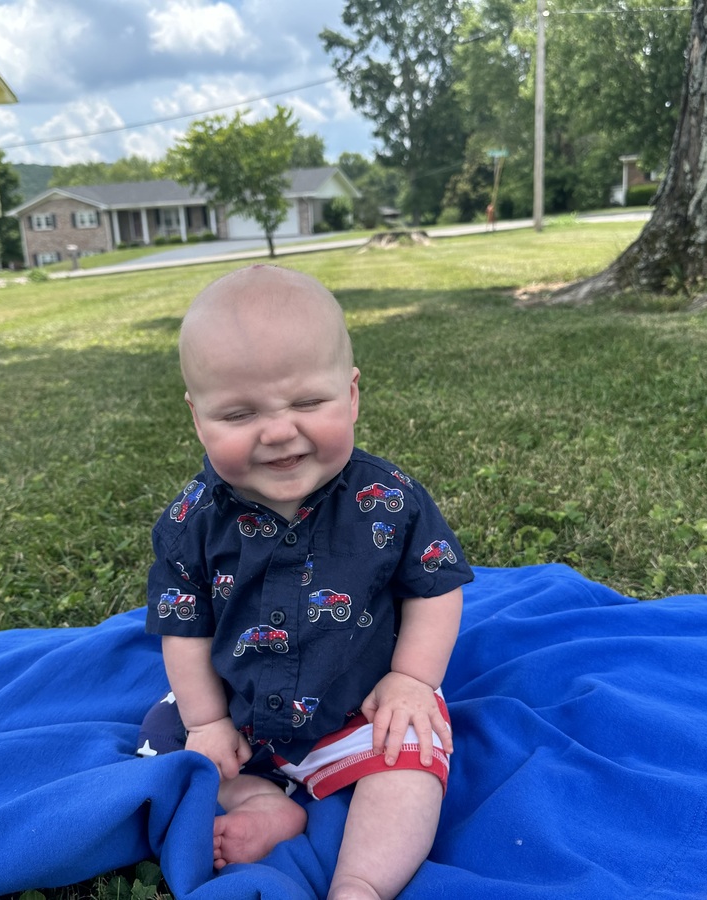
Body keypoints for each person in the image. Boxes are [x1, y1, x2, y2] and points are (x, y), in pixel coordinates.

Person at [137, 264, 473, 900]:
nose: (278, 431)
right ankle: (263, 800)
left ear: (350, 395)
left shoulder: (388, 499)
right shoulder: (191, 521)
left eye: (307, 403)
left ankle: (363, 883)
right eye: (238, 414)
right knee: (163, 736)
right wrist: (208, 723)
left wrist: (412, 679)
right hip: (237, 716)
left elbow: (434, 588)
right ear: (196, 416)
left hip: (356, 711)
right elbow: (184, 627)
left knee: (413, 760)